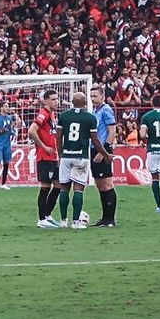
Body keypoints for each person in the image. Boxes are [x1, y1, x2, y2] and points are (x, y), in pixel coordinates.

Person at [57, 92, 109, 229]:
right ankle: (75, 222)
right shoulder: (90, 118)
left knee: (64, 189)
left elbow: (58, 137)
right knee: (78, 190)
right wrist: (105, 154)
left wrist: (60, 154)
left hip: (66, 156)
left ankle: (63, 221)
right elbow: (95, 140)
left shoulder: (64, 116)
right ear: (85, 103)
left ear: (72, 102)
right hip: (81, 156)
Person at [29, 89, 62, 229]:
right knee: (45, 186)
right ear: (46, 100)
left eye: (57, 99)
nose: (56, 101)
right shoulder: (43, 114)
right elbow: (31, 131)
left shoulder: (52, 114)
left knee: (59, 185)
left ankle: (47, 215)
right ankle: (42, 219)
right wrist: (43, 146)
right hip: (45, 157)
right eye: (53, 99)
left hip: (53, 157)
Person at [89, 85, 119, 227]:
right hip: (95, 150)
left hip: (102, 150)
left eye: (95, 96)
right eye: (91, 96)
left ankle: (111, 219)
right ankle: (105, 218)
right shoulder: (96, 110)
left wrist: (104, 152)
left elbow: (112, 132)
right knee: (100, 184)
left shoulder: (106, 110)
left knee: (107, 184)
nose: (93, 99)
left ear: (102, 96)